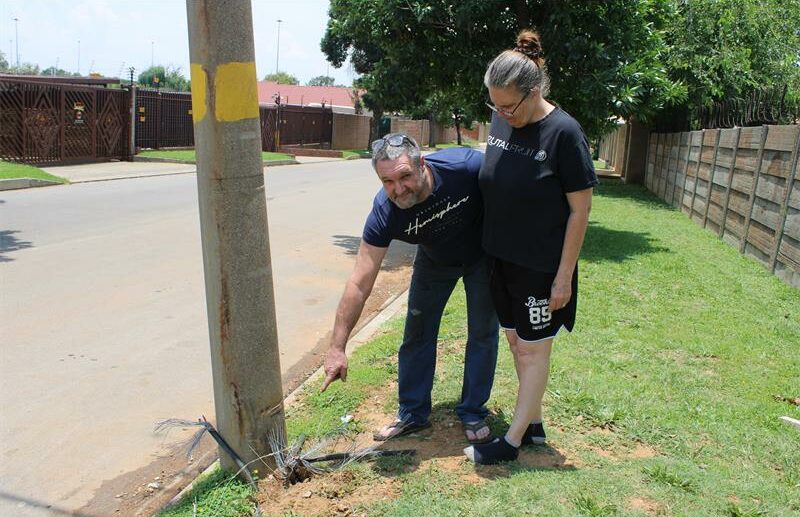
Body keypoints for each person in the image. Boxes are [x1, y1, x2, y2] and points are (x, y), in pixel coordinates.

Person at [464, 30, 598, 464]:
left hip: (540, 266)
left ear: (534, 90)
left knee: (533, 348)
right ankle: (533, 421)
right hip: (499, 258)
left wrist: (564, 277)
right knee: (516, 343)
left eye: (508, 106)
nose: (501, 114)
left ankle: (512, 442)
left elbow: (580, 210)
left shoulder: (564, 133)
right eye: (495, 106)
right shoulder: (504, 119)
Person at [320, 133, 499, 445]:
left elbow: (510, 193)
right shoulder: (385, 213)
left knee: (483, 333)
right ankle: (413, 413)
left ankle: (473, 410)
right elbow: (359, 283)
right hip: (434, 261)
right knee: (417, 334)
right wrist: (337, 347)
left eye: (404, 176)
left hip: (483, 256)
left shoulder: (466, 167)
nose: (398, 189)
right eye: (387, 181)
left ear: (422, 165)